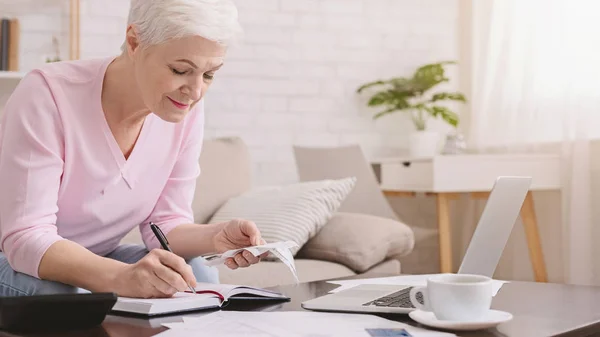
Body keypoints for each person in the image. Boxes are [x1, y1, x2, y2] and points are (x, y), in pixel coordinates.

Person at [0, 0, 263, 298]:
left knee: (194, 274)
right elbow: (25, 238)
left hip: (98, 259)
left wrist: (217, 236)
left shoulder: (183, 107)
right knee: (59, 293)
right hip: (13, 260)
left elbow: (164, 226)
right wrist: (120, 278)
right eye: (180, 70)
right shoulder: (47, 95)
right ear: (134, 42)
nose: (196, 91)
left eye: (209, 74)